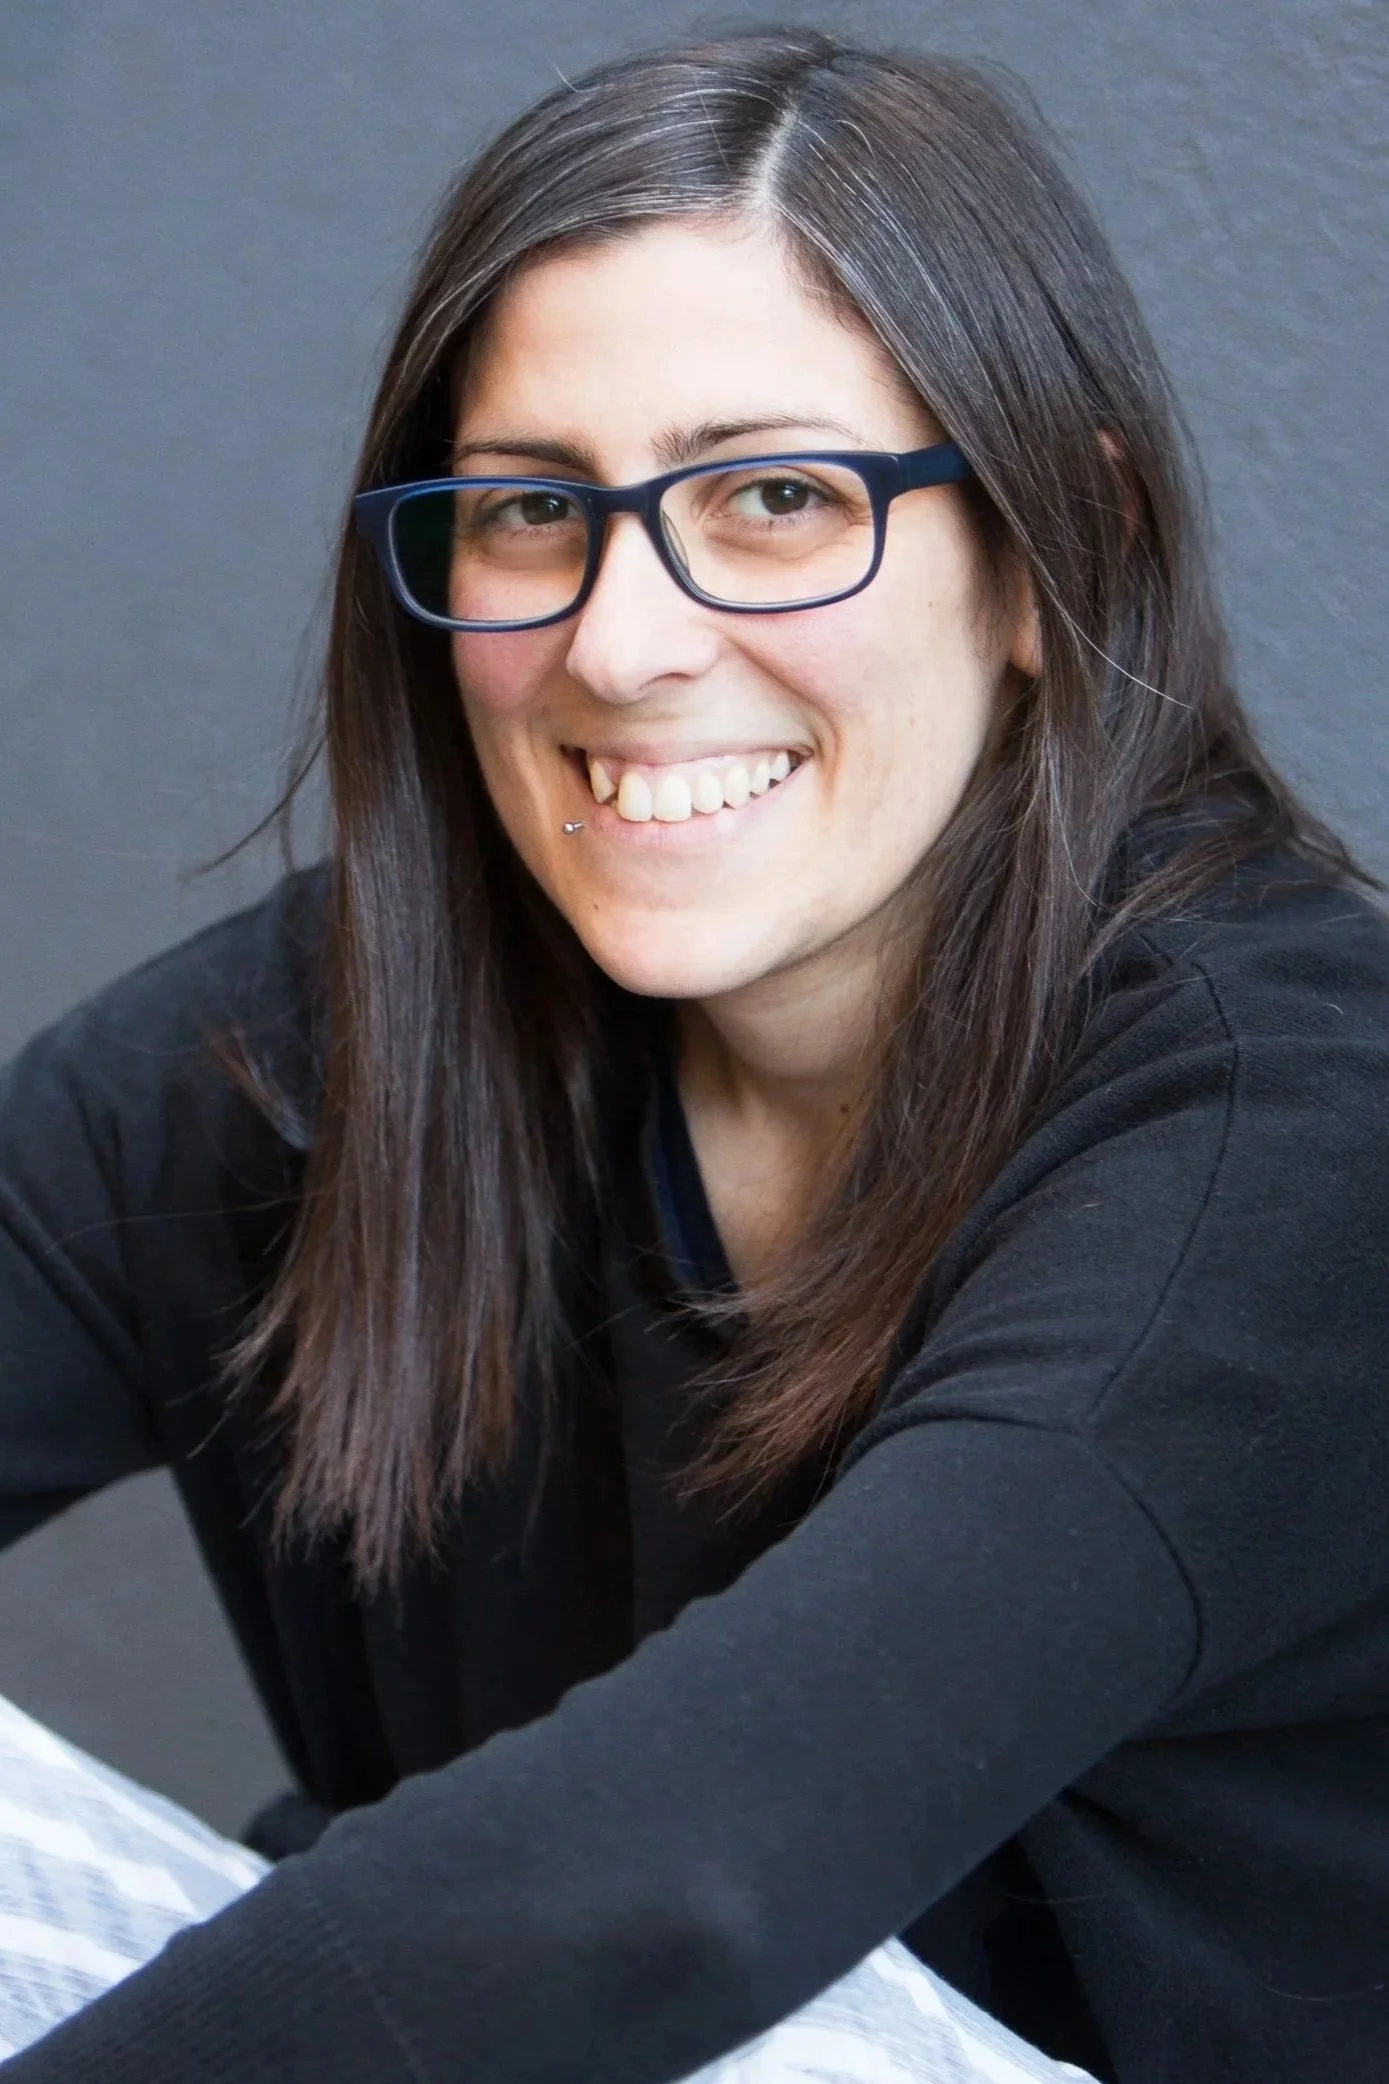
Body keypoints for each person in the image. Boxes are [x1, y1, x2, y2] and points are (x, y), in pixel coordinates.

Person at [0, 23, 1385, 2083]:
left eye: (772, 497)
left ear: (1043, 556)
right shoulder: (334, 1036)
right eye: (523, 513)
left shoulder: (1287, 1129)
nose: (618, 642)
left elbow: (671, 1890)